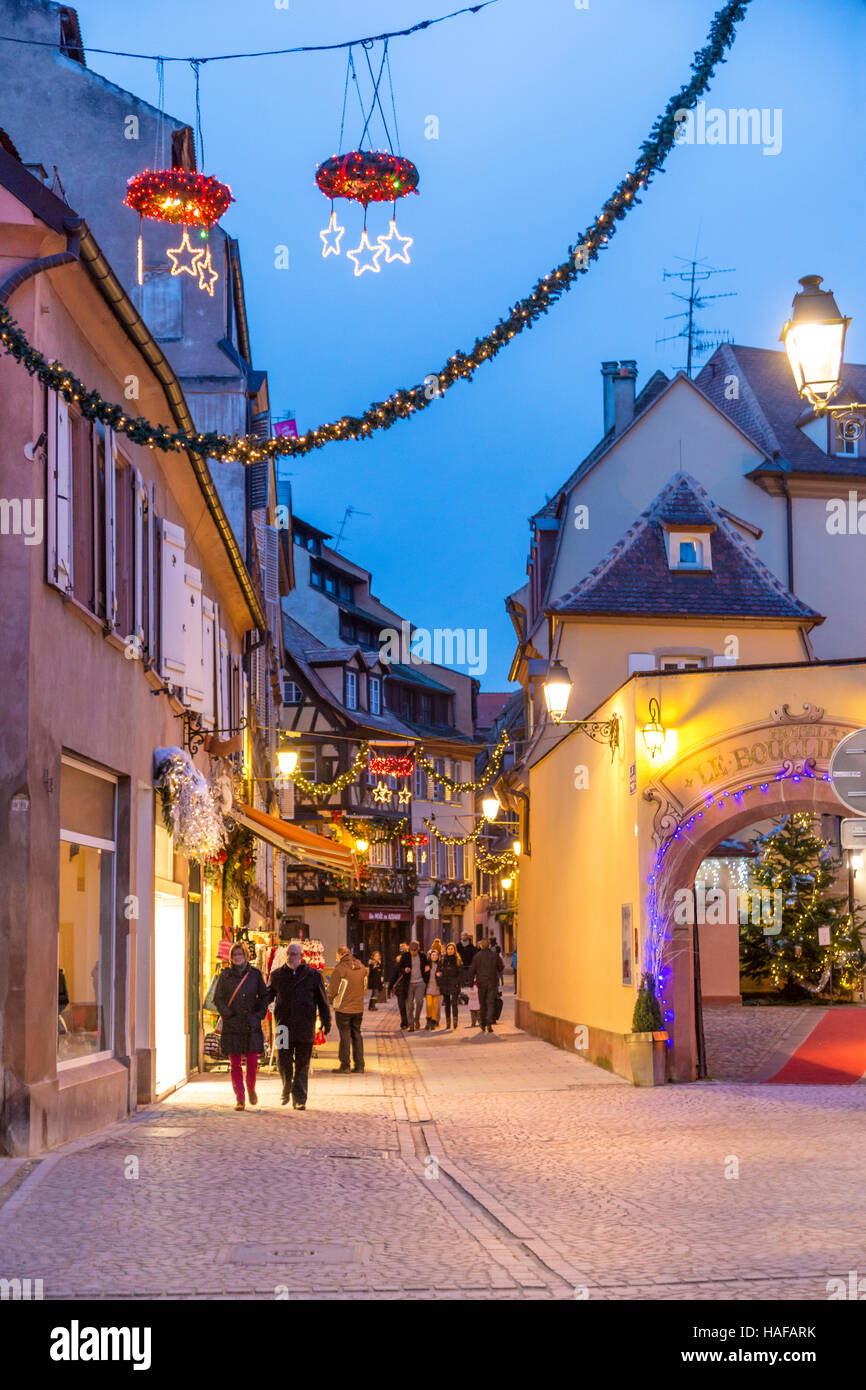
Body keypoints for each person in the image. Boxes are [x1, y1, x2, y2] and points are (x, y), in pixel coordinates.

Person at [268, 941, 331, 1109]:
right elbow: (267, 997)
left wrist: (326, 1021)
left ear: (301, 956)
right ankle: (286, 1086)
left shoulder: (313, 976)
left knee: (303, 1065)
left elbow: (322, 1001)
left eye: (294, 954)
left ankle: (300, 1099)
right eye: (288, 953)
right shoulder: (277, 975)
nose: (290, 957)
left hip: (305, 1026)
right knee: (282, 1061)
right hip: (283, 1026)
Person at [214, 943, 270, 1111]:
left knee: (252, 1061)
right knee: (235, 1063)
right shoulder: (225, 975)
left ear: (246, 955)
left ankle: (251, 1087)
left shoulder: (255, 975)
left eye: (240, 954)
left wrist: (259, 1014)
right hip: (232, 1024)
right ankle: (240, 1097)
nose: (237, 957)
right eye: (234, 954)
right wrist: (227, 1014)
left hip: (250, 1024)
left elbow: (264, 995)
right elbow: (218, 998)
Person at [328, 945, 368, 1073]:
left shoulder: (340, 969)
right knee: (357, 1034)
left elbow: (333, 990)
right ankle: (360, 1065)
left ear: (340, 955)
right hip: (358, 1008)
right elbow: (365, 985)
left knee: (345, 1035)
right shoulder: (361, 967)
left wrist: (329, 999)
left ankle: (345, 1065)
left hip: (343, 1008)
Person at [393, 940, 427, 1031]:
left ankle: (417, 1019)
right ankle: (411, 1024)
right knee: (409, 1005)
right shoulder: (405, 956)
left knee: (419, 1001)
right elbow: (399, 968)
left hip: (420, 982)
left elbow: (428, 965)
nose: (412, 952)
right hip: (408, 983)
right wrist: (405, 970)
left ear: (418, 949)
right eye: (411, 950)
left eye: (414, 951)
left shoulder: (423, 956)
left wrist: (427, 968)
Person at [472, 937, 504, 1034]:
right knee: (490, 1003)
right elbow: (501, 967)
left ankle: (483, 1023)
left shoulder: (477, 956)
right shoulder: (495, 955)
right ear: (489, 945)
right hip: (492, 982)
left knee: (482, 1004)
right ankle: (489, 1023)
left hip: (481, 983)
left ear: (481, 946)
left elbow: (472, 969)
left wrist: (470, 982)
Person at [438, 941, 462, 1030]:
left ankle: (455, 1022)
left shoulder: (457, 960)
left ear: (454, 950)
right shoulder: (443, 960)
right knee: (447, 1004)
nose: (450, 950)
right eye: (449, 949)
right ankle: (448, 1023)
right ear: (446, 950)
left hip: (454, 984)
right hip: (445, 984)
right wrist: (440, 979)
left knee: (454, 1003)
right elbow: (439, 971)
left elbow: (461, 974)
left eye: (452, 949)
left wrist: (458, 983)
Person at [390, 941, 411, 1028]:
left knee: (409, 1005)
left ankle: (409, 1021)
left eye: (403, 946)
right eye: (401, 946)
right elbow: (395, 974)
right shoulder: (398, 959)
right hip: (401, 986)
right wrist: (390, 986)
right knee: (402, 1005)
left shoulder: (412, 957)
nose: (402, 947)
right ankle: (404, 1022)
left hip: (409, 985)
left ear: (408, 946)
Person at [423, 947, 442, 1030]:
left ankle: (433, 1022)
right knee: (429, 1005)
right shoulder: (427, 965)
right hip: (429, 987)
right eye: (432, 955)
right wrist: (425, 972)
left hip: (437, 988)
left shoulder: (440, 965)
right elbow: (424, 977)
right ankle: (428, 1020)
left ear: (438, 957)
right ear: (430, 956)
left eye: (436, 955)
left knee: (435, 1006)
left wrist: (440, 975)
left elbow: (443, 976)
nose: (434, 956)